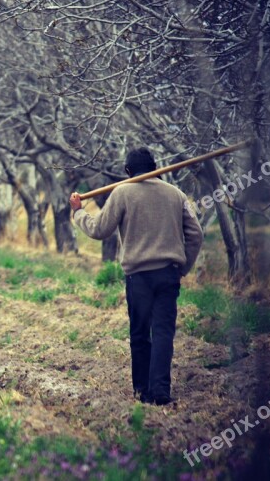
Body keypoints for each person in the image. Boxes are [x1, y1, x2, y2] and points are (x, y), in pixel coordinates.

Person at [69, 147, 203, 405]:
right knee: (163, 332)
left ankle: (142, 391)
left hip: (138, 276)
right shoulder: (176, 194)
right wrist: (182, 268)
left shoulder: (123, 192)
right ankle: (161, 391)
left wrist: (78, 212)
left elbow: (99, 229)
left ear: (128, 171)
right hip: (168, 274)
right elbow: (196, 234)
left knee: (140, 333)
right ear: (155, 167)